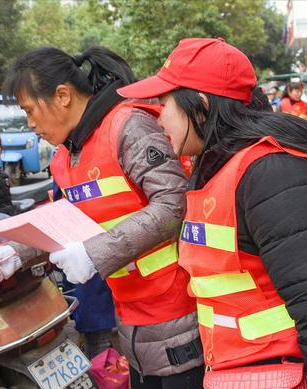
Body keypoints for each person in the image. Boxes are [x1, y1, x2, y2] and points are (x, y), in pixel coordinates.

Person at [0, 46, 204, 388]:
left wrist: (94, 253)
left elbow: (173, 204)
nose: (30, 124)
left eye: (30, 110)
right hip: (132, 315)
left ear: (63, 95)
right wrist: (15, 254)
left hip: (179, 308)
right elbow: (61, 225)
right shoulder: (65, 158)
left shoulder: (129, 127)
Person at [118, 37, 307, 387]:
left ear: (201, 107)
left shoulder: (268, 172)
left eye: (164, 104)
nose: (157, 119)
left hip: (275, 373)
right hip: (236, 372)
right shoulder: (214, 171)